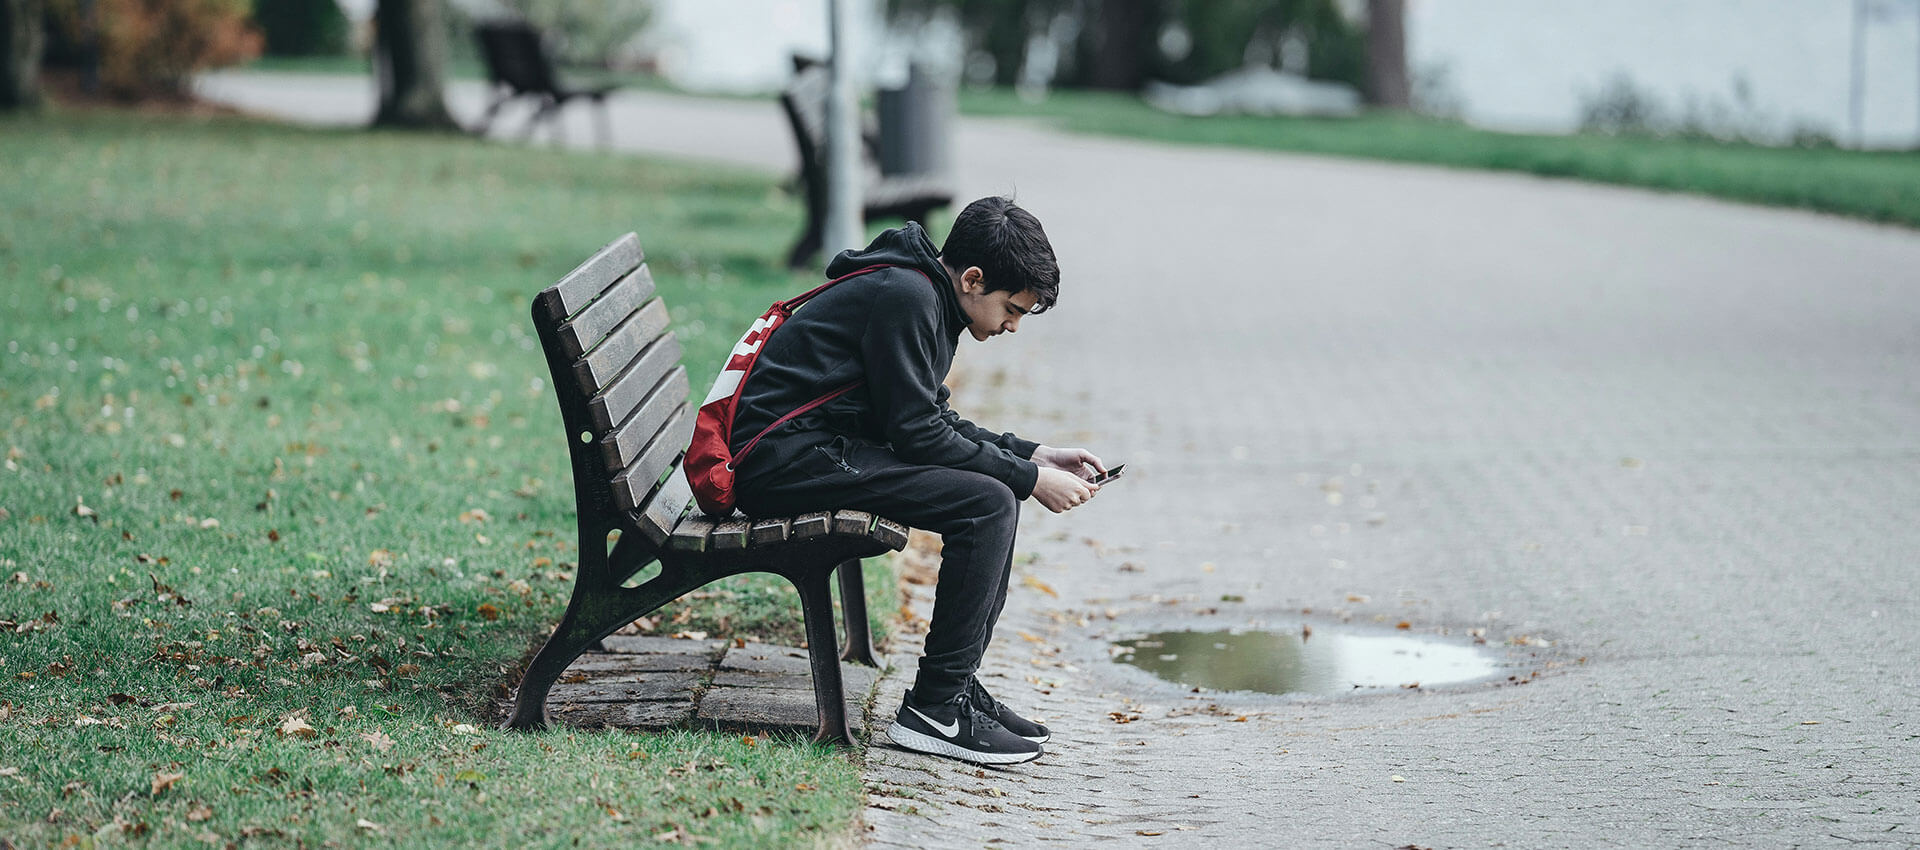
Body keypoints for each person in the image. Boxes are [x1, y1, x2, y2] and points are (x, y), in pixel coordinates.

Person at [730, 196, 1104, 765]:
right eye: (1013, 308)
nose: (1013, 325)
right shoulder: (907, 297)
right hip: (782, 461)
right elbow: (918, 433)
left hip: (816, 450)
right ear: (973, 279)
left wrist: (1035, 455)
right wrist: (1028, 478)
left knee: (994, 497)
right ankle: (935, 708)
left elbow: (930, 418)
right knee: (988, 504)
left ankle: (953, 688)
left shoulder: (926, 295)